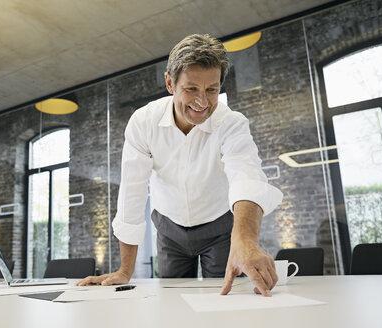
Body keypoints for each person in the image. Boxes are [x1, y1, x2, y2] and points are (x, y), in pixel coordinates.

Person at [77, 34, 283, 296]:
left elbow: (247, 177)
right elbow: (132, 193)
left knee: (227, 298)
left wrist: (246, 240)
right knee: (173, 301)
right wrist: (124, 270)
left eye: (212, 90)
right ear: (170, 83)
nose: (202, 102)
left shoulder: (231, 123)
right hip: (169, 230)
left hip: (220, 227)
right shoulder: (143, 122)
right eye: (191, 89)